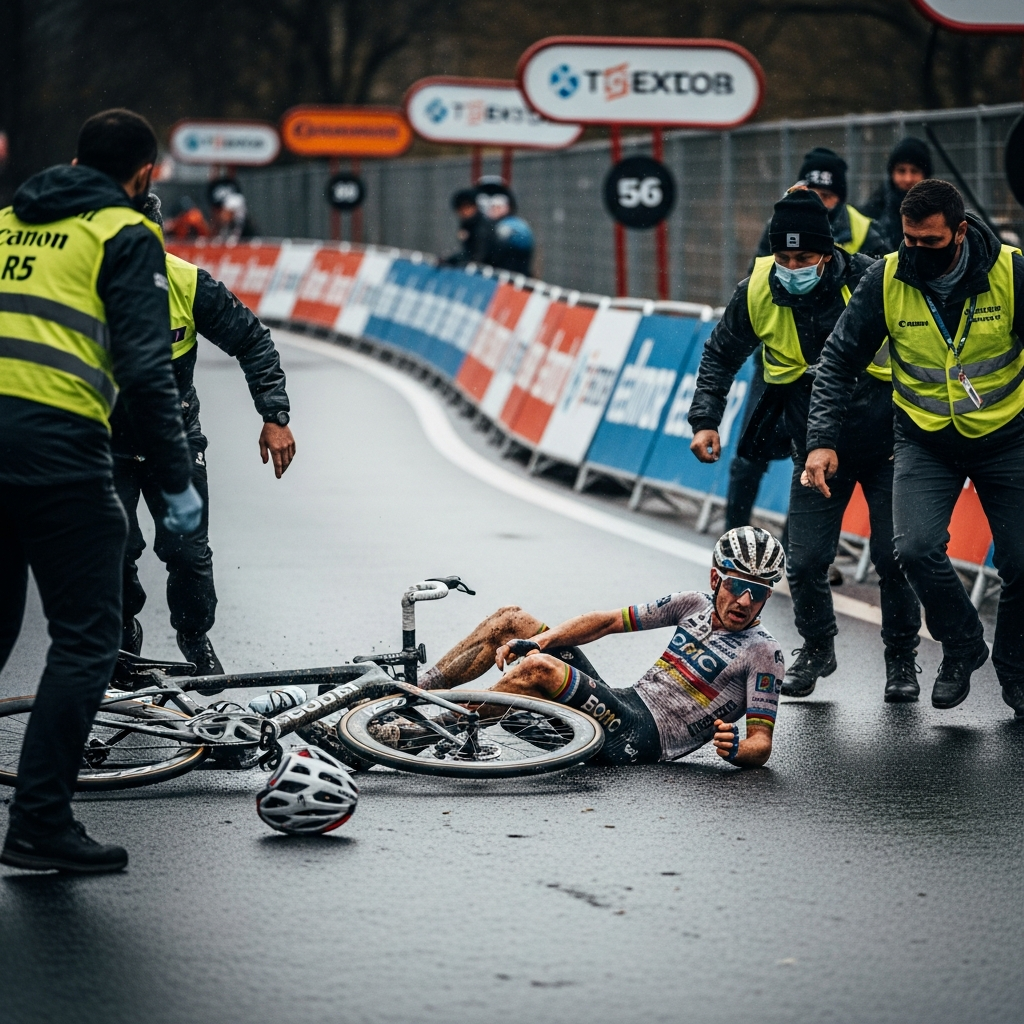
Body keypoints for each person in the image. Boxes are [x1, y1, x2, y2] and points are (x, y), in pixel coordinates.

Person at [0, 109, 199, 873]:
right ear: (145, 173)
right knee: (88, 637)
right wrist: (177, 485)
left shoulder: (6, 222)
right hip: (57, 446)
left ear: (74, 159)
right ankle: (39, 823)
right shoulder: (123, 233)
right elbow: (148, 370)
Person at [688, 191, 922, 702]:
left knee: (892, 556)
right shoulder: (756, 290)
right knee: (805, 560)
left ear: (827, 251)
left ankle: (902, 658)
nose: (792, 268)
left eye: (804, 258)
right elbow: (720, 354)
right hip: (813, 448)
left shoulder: (871, 280)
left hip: (887, 441)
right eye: (784, 258)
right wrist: (706, 418)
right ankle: (817, 647)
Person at [804, 179, 1024, 716]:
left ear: (960, 231)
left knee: (1021, 561)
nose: (917, 252)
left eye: (931, 242)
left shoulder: (1012, 273)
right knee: (914, 549)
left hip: (1008, 438)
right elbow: (837, 362)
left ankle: (1016, 673)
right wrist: (821, 442)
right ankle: (962, 645)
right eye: (910, 240)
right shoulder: (888, 279)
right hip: (925, 439)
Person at [359, 527, 787, 769]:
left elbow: (761, 744)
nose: (746, 601)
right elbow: (606, 622)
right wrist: (540, 637)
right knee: (513, 620)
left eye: (758, 593)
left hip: (642, 738)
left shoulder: (763, 653)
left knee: (542, 670)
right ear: (717, 580)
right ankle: (413, 696)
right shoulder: (693, 603)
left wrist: (737, 750)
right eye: (738, 587)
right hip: (623, 702)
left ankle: (416, 735)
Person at [113, 194, 295, 680]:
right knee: (112, 548)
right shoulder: (76, 288)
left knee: (189, 553)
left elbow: (252, 340)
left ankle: (193, 634)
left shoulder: (187, 282)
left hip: (174, 441)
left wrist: (274, 416)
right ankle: (122, 630)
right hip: (102, 445)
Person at [754, 148, 888, 259]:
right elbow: (758, 276)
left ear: (839, 199)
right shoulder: (778, 224)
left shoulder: (863, 229)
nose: (817, 201)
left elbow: (879, 280)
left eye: (825, 196)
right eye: (811, 193)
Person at [860, 138, 932, 252]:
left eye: (914, 171)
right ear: (892, 173)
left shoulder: (937, 208)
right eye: (901, 171)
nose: (908, 179)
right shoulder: (875, 209)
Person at [474, 177, 535, 276]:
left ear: (507, 206)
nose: (492, 209)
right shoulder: (483, 226)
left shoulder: (515, 225)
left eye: (497, 206)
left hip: (513, 279)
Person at [442, 186, 485, 268]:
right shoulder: (467, 224)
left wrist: (452, 260)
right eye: (460, 210)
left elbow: (478, 257)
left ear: (474, 207)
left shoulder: (481, 227)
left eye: (466, 208)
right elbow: (468, 252)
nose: (463, 212)